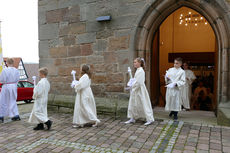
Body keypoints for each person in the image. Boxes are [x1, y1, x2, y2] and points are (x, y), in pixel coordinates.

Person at [125, 57, 154, 126]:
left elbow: (139, 82)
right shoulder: (138, 70)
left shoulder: (141, 71)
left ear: (139, 63)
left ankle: (149, 119)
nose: (134, 63)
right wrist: (131, 84)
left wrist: (133, 87)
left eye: (135, 62)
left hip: (140, 90)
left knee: (143, 103)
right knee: (133, 103)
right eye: (134, 62)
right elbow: (135, 80)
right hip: (135, 89)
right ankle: (133, 117)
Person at [0, 58, 20, 123]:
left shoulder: (5, 70)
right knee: (13, 100)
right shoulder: (16, 70)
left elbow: (2, 79)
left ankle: (1, 116)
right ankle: (15, 115)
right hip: (13, 86)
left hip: (6, 86)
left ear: (7, 63)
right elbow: (17, 79)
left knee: (3, 100)